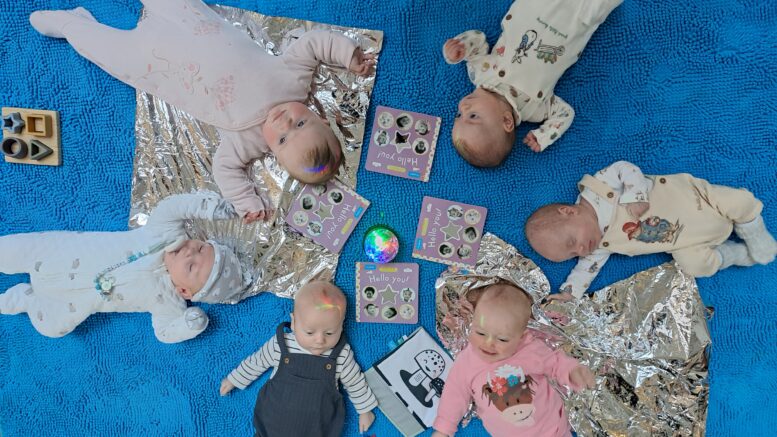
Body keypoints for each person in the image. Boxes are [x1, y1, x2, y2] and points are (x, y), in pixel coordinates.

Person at [30, 0, 376, 223]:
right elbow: (314, 43)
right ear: (316, 114)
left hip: (157, 64)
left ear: (273, 152)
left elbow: (225, 168)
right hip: (192, 25)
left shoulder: (249, 139)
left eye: (284, 138)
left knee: (110, 53)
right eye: (301, 122)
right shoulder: (294, 80)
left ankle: (71, 26)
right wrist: (349, 55)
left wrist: (246, 201)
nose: (285, 122)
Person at [0, 192, 244, 343]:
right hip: (58, 252)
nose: (190, 252)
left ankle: (24, 299)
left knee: (51, 327)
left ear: (184, 292)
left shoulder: (168, 302)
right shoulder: (165, 233)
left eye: (191, 267)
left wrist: (188, 325)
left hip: (69, 301)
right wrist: (209, 208)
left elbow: (164, 332)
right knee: (13, 251)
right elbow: (173, 206)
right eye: (201, 248)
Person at [525, 161, 777, 299]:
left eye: (572, 241)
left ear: (568, 211)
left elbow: (624, 167)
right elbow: (583, 272)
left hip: (699, 200)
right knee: (694, 266)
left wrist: (636, 195)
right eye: (571, 255)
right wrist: (569, 294)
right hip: (687, 241)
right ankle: (733, 254)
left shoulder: (598, 189)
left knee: (741, 203)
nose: (580, 249)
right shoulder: (599, 246)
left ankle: (754, 234)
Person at [442, 0, 622, 167]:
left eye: (458, 115)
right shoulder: (533, 110)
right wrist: (543, 135)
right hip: (576, 21)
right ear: (506, 120)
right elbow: (565, 113)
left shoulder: (479, 75)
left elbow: (479, 40)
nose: (463, 106)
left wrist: (461, 48)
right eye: (472, 116)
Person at [432, 282, 594, 436]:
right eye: (480, 333)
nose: (488, 344)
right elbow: (454, 395)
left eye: (502, 339)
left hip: (552, 428)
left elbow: (556, 362)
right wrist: (444, 430)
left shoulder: (529, 349)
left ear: (520, 337)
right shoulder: (466, 362)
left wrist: (572, 371)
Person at [220, 281, 378, 436]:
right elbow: (257, 361)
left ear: (341, 326)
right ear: (294, 322)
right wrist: (235, 379)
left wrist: (365, 410)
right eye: (310, 332)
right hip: (272, 426)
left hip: (318, 429)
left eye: (329, 333)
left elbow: (355, 382)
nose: (319, 340)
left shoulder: (341, 354)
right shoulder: (282, 345)